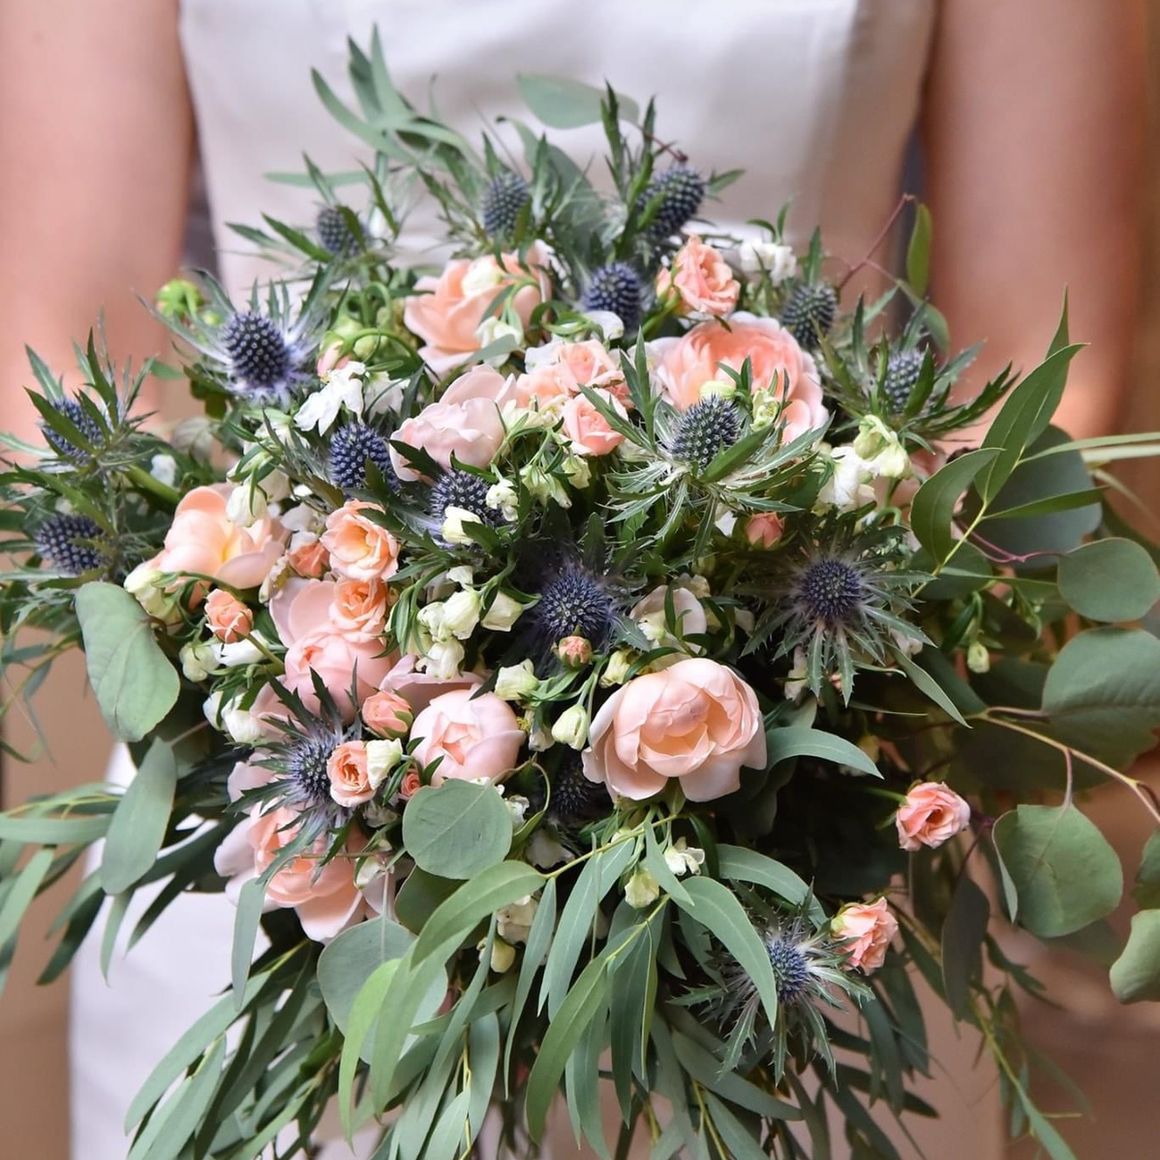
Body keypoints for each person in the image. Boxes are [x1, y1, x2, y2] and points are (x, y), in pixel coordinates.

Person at [0, 1, 1146, 1157]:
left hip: (797, 831)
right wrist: (308, 666)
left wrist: (758, 651)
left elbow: (1035, 365)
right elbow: (62, 329)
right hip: (286, 798)